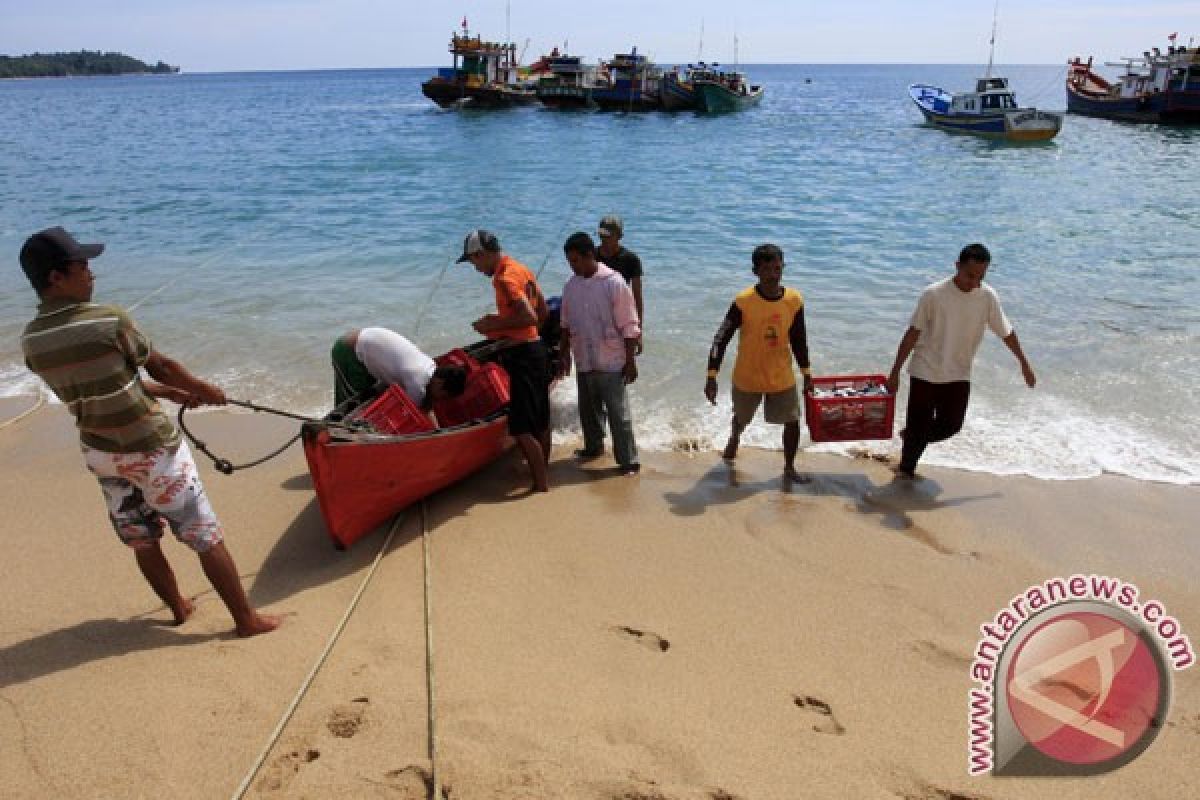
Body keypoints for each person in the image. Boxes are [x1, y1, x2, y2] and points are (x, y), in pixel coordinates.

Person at [18, 227, 281, 637]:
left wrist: (175, 394)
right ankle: (245, 620)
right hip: (151, 448)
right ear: (56, 276)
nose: (91, 274)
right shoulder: (108, 319)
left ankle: (178, 607)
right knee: (203, 534)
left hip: (101, 454)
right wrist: (201, 389)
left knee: (141, 538)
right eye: (83, 266)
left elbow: (107, 385)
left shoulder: (32, 341)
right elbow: (159, 366)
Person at [885, 243, 1036, 480]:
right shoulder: (933, 294)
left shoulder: (987, 296)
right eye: (970, 275)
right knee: (917, 435)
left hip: (958, 372)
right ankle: (905, 476)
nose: (974, 282)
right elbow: (912, 333)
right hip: (925, 369)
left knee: (952, 426)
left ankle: (912, 436)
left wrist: (1024, 363)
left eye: (980, 276)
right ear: (957, 266)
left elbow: (1006, 332)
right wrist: (894, 372)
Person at [705, 243, 813, 482]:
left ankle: (789, 467)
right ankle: (734, 438)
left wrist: (807, 373)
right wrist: (711, 376)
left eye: (777, 268)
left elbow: (799, 339)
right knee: (741, 419)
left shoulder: (794, 300)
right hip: (748, 376)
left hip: (781, 375)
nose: (773, 274)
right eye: (767, 269)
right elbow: (720, 338)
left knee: (793, 421)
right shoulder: (744, 301)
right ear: (756, 271)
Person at [457, 229, 552, 492]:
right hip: (537, 350)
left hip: (523, 355)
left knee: (521, 426)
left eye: (473, 262)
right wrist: (519, 331)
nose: (475, 268)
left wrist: (493, 325)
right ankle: (543, 472)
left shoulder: (505, 278)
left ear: (481, 254)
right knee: (541, 420)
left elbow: (530, 317)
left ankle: (540, 485)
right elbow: (542, 312)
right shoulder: (522, 269)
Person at [557, 232, 642, 475]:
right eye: (569, 262)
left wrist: (630, 360)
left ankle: (628, 461)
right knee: (589, 411)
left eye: (576, 260)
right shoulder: (571, 286)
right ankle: (593, 448)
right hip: (584, 358)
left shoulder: (614, 283)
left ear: (589, 255)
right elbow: (565, 324)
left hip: (612, 361)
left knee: (619, 416)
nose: (573, 266)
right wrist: (563, 354)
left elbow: (629, 325)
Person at [331, 327, 467, 411]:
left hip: (364, 347)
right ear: (439, 383)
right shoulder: (418, 382)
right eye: (443, 396)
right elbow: (414, 411)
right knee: (352, 403)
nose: (440, 400)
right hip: (349, 352)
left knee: (367, 397)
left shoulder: (429, 365)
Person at [596, 215, 644, 354]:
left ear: (619, 236)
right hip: (595, 316)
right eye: (601, 236)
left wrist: (638, 331)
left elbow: (637, 298)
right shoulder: (592, 256)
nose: (604, 240)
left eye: (608, 237)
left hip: (620, 317)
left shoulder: (631, 260)